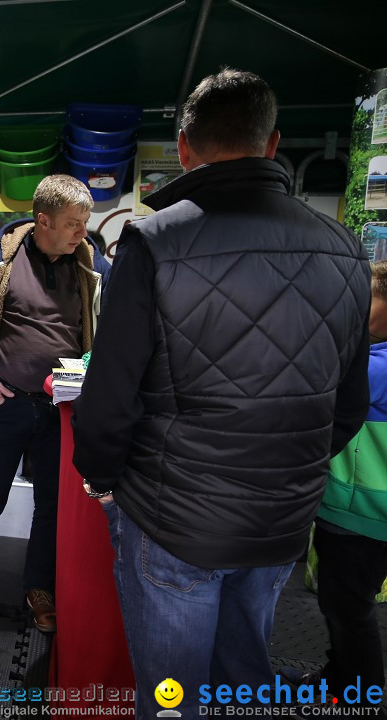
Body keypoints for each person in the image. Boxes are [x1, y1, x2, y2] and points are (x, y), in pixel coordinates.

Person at [72, 68, 370, 718]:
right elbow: (346, 407)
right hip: (282, 517)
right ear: (274, 144)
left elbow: (108, 398)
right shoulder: (346, 250)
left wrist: (100, 477)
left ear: (184, 149)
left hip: (174, 518)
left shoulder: (153, 242)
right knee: (245, 678)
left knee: (175, 697)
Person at [0, 174, 110, 638]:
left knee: (53, 505)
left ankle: (40, 588)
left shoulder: (91, 262)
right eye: (73, 224)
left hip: (62, 410)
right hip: (6, 405)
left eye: (86, 222)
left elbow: (107, 329)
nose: (83, 232)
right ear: (43, 221)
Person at [282, 260, 387, 710]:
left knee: (347, 608)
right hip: (364, 512)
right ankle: (343, 679)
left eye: (366, 302)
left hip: (360, 513)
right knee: (346, 605)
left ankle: (358, 694)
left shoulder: (373, 368)